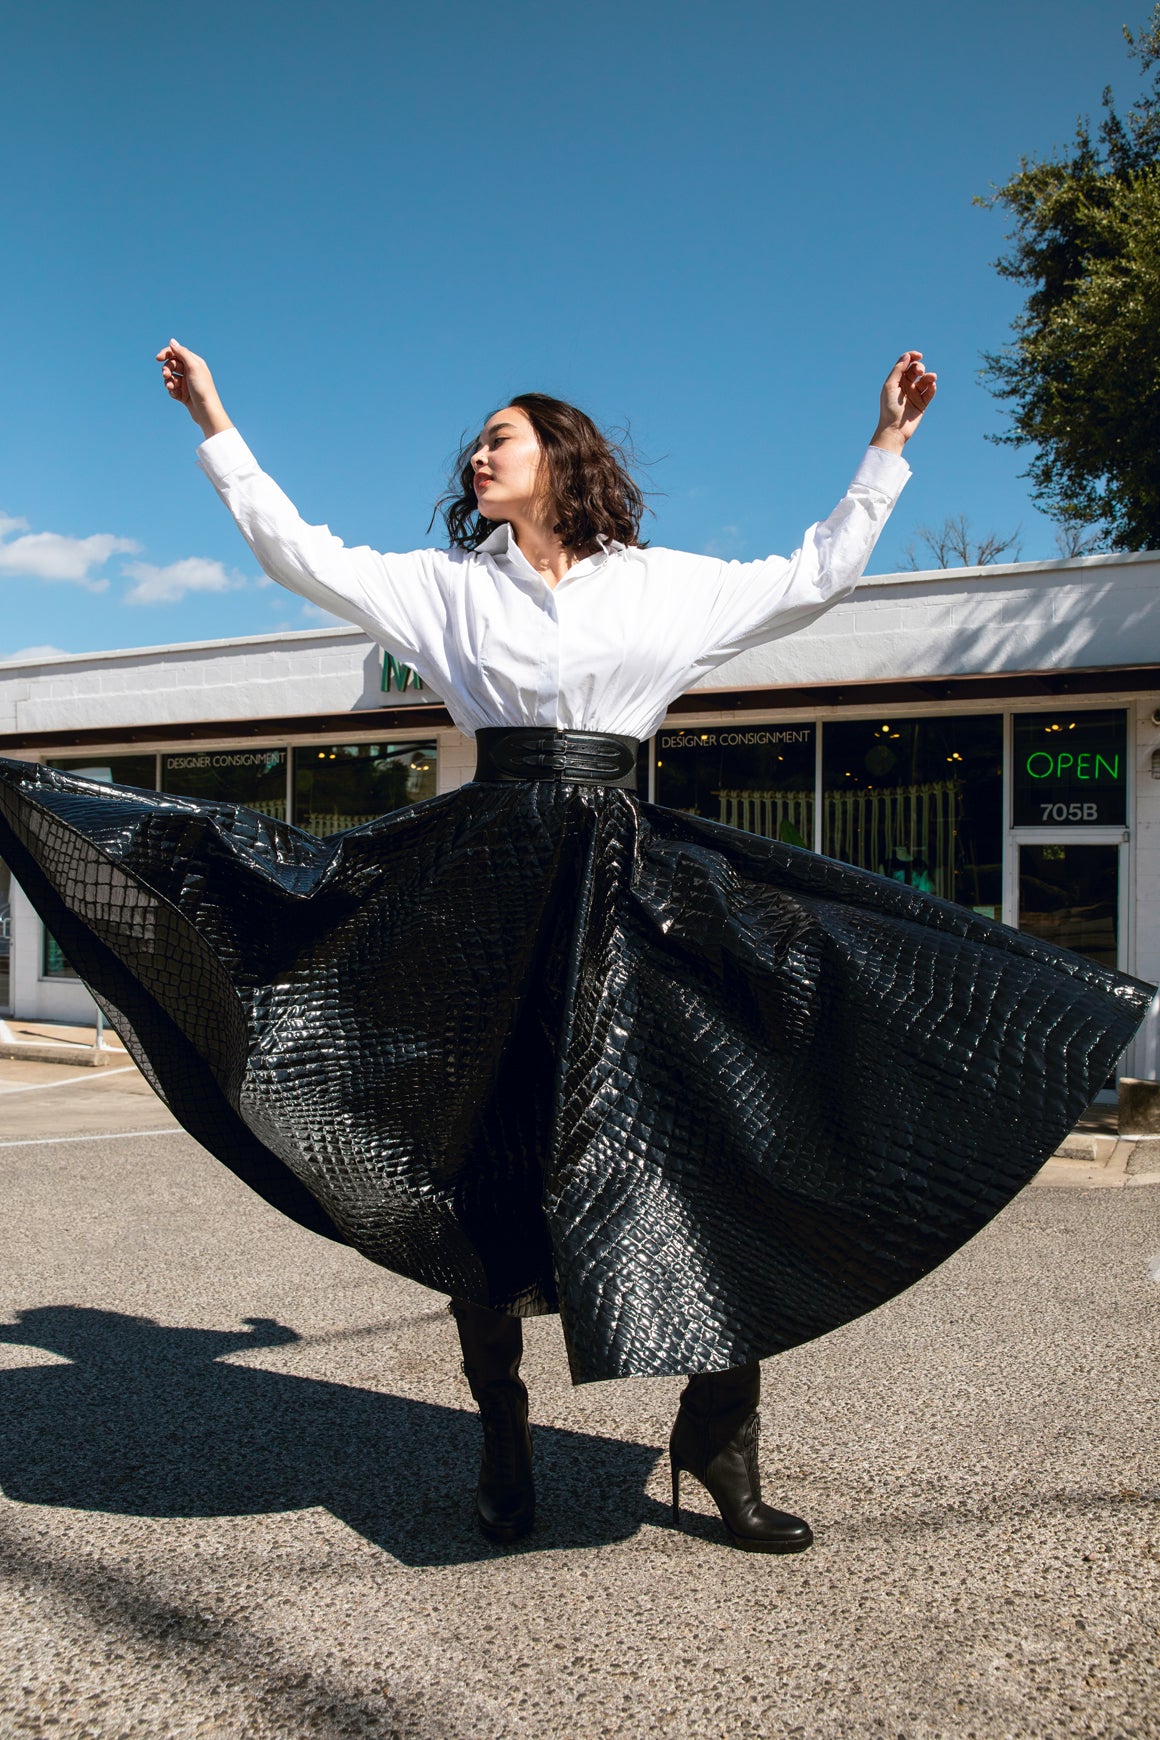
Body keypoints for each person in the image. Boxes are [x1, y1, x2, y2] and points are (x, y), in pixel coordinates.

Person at [0, 347, 1148, 1558]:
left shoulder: (663, 586)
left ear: (563, 455)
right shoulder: (444, 586)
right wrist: (217, 423)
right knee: (480, 1165)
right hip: (484, 896)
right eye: (477, 444)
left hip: (625, 883)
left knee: (711, 1145)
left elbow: (814, 577)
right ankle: (501, 1429)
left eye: (502, 435)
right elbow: (298, 551)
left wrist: (886, 448)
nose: (479, 454)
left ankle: (719, 1435)